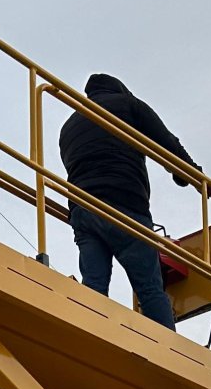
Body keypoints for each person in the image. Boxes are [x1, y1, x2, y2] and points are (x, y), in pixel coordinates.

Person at [58, 73, 197, 331]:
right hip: (125, 206)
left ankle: (90, 337)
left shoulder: (69, 125)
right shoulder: (127, 105)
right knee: (149, 289)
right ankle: (168, 350)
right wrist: (190, 174)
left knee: (94, 285)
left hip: (83, 210)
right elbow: (168, 143)